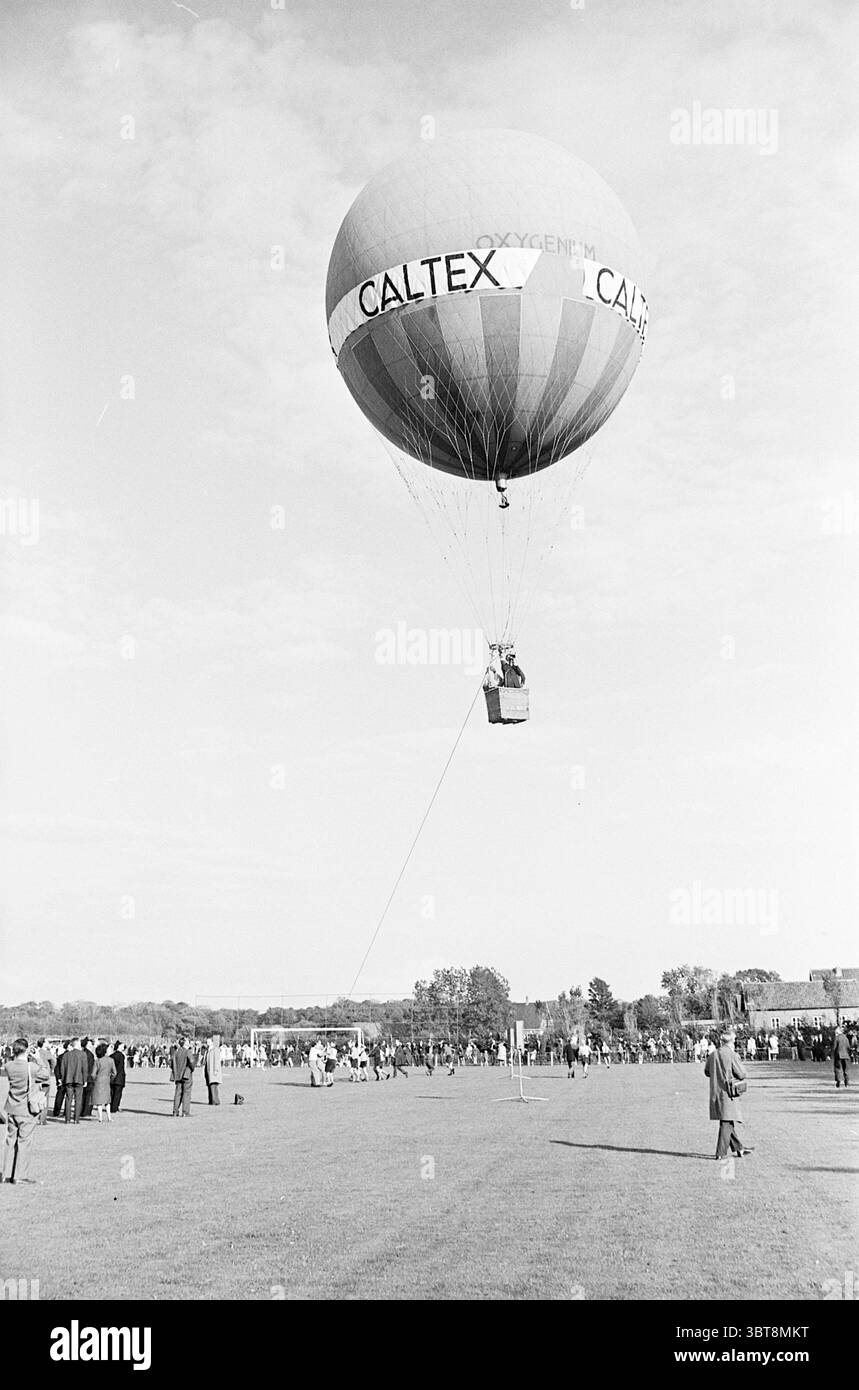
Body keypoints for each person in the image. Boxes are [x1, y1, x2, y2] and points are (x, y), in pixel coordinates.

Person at [2, 1039, 50, 1184]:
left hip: (12, 1107)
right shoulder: (31, 1067)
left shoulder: (9, 1066)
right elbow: (46, 1074)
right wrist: (38, 1059)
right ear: (27, 1050)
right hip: (27, 1109)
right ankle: (19, 1175)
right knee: (24, 1142)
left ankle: (5, 1173)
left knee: (10, 1141)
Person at [704, 1029, 754, 1160]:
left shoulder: (713, 1054)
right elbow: (742, 1074)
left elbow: (707, 1072)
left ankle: (739, 1148)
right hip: (729, 1092)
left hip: (716, 1092)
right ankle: (720, 1153)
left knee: (727, 1120)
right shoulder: (732, 1055)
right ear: (732, 1041)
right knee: (726, 1122)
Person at [59, 1038, 88, 1123]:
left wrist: (63, 1079)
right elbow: (85, 1068)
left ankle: (67, 1119)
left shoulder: (66, 1055)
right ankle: (76, 1119)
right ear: (77, 1044)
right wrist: (85, 1079)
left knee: (68, 1099)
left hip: (68, 1079)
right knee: (78, 1100)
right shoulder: (83, 1054)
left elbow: (62, 1069)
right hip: (79, 1079)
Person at [170, 1037, 196, 1117]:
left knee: (177, 1094)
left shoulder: (176, 1052)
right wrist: (192, 1068)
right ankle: (185, 1112)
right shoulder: (187, 1051)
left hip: (178, 1075)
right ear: (185, 1043)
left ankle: (175, 1111)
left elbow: (171, 1064)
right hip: (186, 1075)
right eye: (188, 1042)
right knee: (186, 1093)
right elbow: (192, 1061)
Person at [91, 1043, 116, 1123]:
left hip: (98, 1081)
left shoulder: (97, 1061)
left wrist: (95, 1079)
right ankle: (109, 1117)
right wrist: (110, 1079)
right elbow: (114, 1072)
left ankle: (100, 1118)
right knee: (107, 1100)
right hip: (107, 1081)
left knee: (99, 1101)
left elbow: (93, 1074)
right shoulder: (111, 1060)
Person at [204, 1034, 222, 1105]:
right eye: (207, 1042)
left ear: (212, 1042)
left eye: (208, 1042)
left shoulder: (215, 1049)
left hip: (213, 1071)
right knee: (209, 1085)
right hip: (208, 1070)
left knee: (213, 1085)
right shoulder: (208, 1050)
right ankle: (211, 1100)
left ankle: (215, 1101)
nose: (207, 1043)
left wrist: (216, 1070)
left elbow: (216, 1061)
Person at [109, 1042, 126, 1113]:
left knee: (112, 1093)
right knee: (117, 1094)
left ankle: (110, 1106)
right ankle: (114, 1107)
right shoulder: (121, 1055)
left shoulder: (112, 1055)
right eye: (122, 1046)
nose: (123, 1047)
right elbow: (120, 1067)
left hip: (112, 1077)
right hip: (119, 1077)